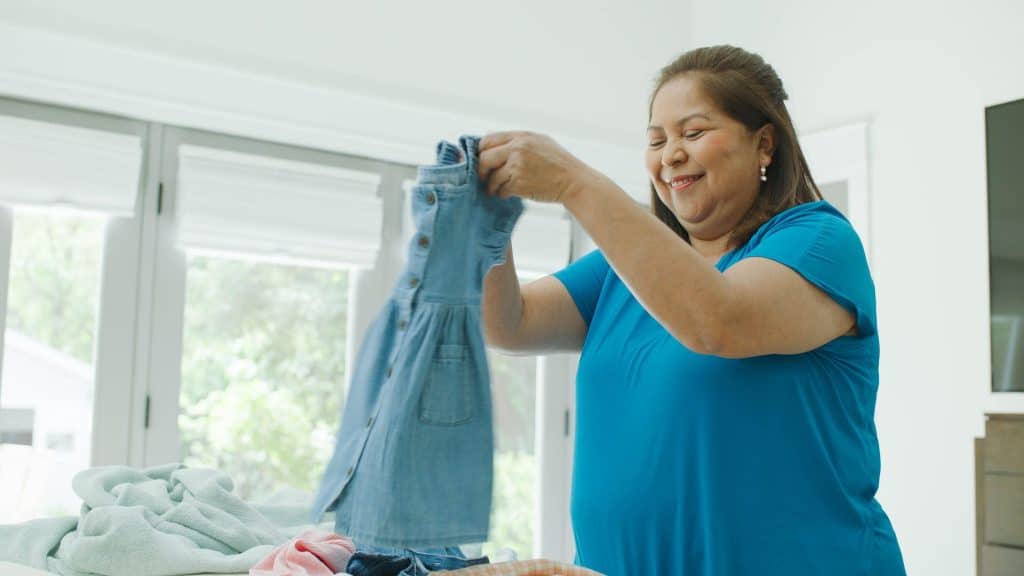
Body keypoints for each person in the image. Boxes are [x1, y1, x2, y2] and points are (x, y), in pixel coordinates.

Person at [478, 45, 906, 576]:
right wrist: (486, 224)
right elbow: (508, 323)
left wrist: (572, 181)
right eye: (656, 140)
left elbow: (718, 320)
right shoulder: (624, 268)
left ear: (764, 143)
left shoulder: (819, 241)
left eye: (693, 132)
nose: (670, 154)